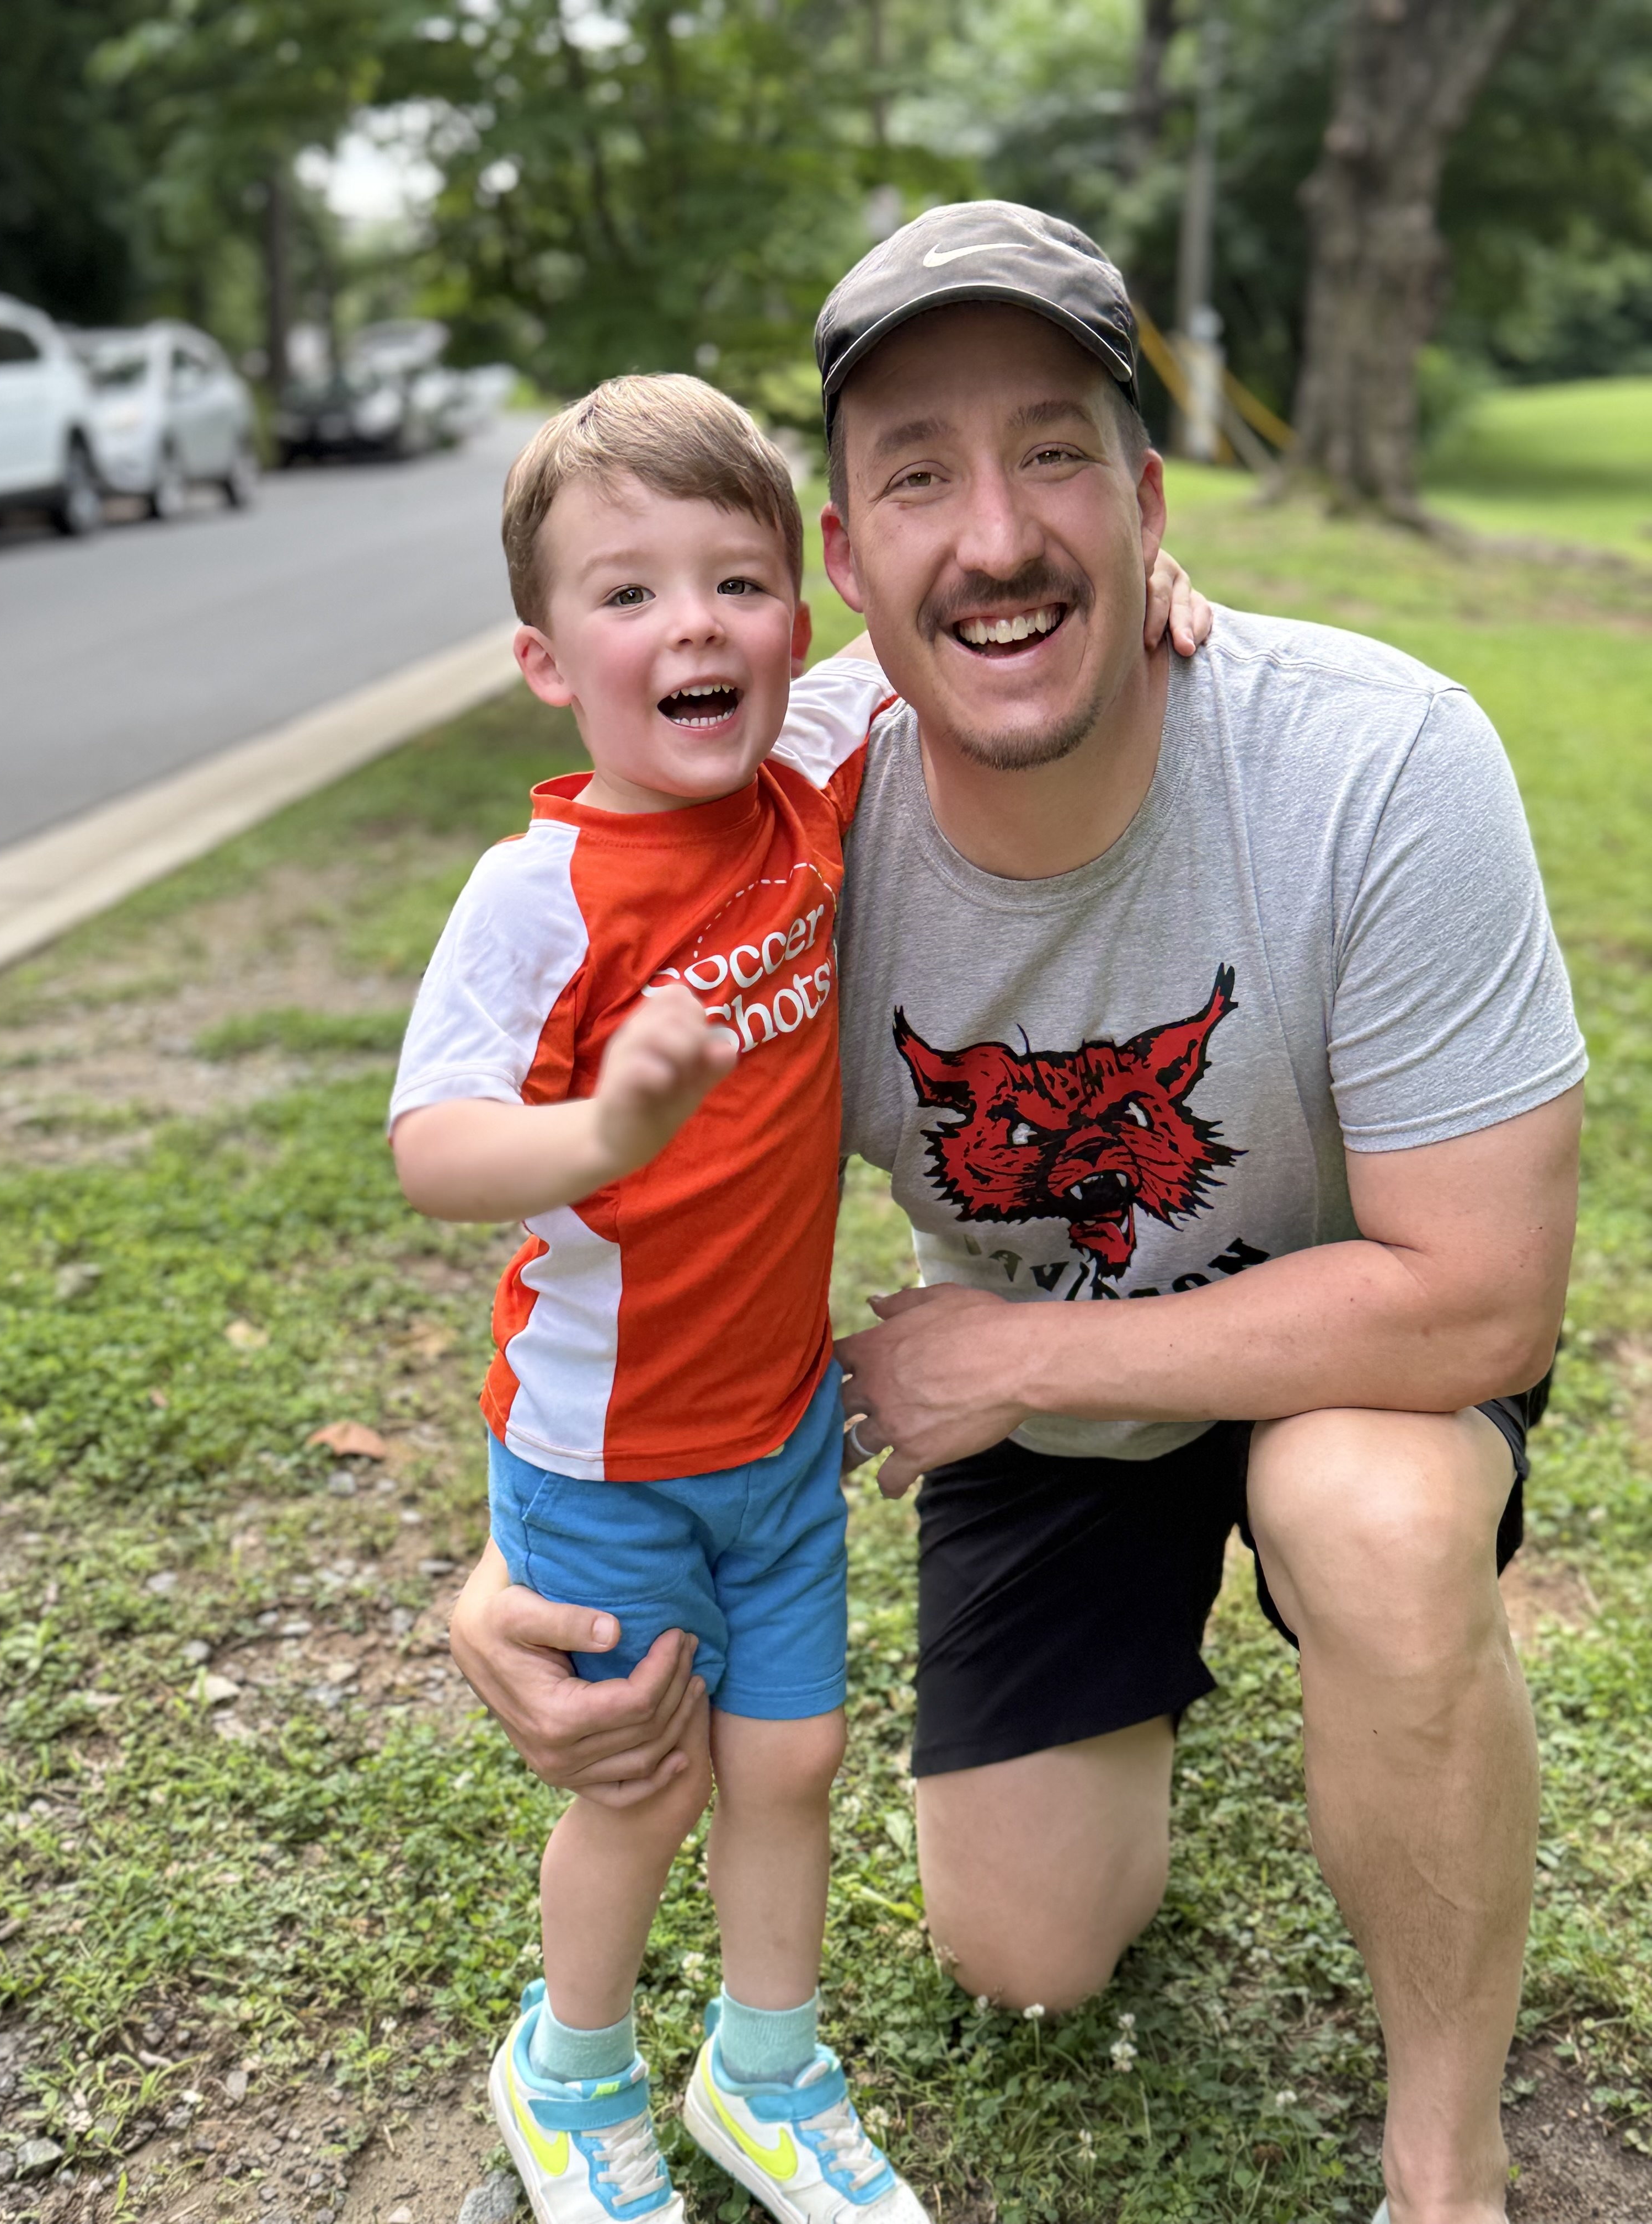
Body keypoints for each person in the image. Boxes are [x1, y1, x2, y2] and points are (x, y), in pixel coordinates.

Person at [447, 205, 1585, 2224]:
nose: (993, 537)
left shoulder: (1383, 763)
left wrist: (1017, 1349)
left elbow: (1483, 1302)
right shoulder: (772, 819)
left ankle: (1447, 2164)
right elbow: (610, 1211)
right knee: (1029, 1950)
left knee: (1382, 1534)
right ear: (841, 574)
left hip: (1331, 1358)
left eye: (1055, 452)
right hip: (1052, 1439)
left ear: (1153, 507)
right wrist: (503, 1578)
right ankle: (1183, 1678)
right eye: (918, 479)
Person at [390, 366, 1210, 2224]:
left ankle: (765, 2075)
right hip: (605, 1455)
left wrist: (1158, 578)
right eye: (629, 594)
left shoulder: (813, 775)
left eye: (736, 582)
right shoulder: (541, 894)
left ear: (802, 612)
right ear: (545, 661)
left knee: (796, 1760)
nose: (693, 625)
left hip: (775, 1431)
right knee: (642, 1779)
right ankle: (569, 2071)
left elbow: (1003, 627)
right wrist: (609, 1120)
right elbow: (433, 1151)